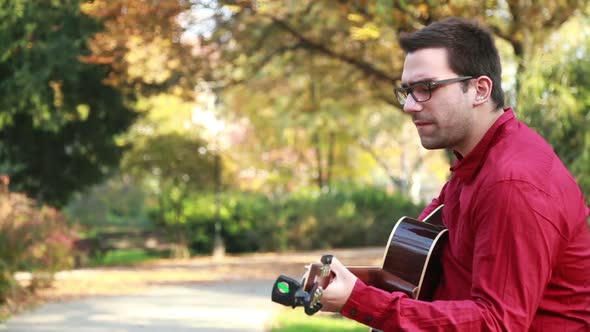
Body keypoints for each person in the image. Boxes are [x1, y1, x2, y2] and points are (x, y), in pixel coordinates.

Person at [320, 17, 590, 331]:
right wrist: (347, 286)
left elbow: (497, 323)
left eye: (426, 88)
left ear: (479, 89)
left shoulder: (512, 182)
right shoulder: (473, 166)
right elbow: (426, 275)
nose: (409, 105)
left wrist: (360, 300)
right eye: (407, 91)